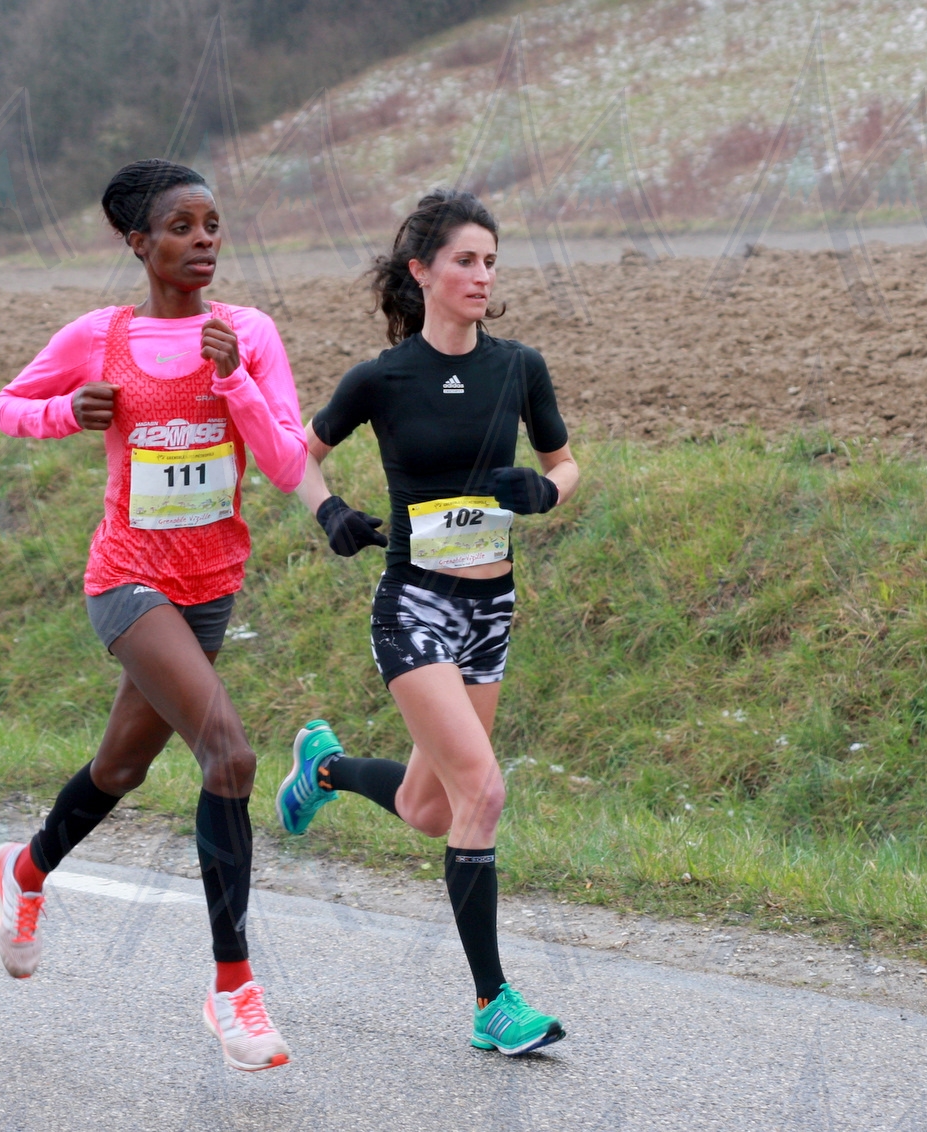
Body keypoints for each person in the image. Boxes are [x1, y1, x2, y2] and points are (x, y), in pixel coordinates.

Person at [0, 159, 307, 1072]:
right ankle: (232, 989)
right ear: (139, 243)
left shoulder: (248, 333)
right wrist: (66, 412)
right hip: (128, 579)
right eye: (181, 227)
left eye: (212, 224)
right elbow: (8, 406)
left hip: (211, 584)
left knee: (121, 768)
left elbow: (288, 462)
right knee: (230, 755)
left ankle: (26, 870)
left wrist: (236, 381)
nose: (204, 240)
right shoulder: (100, 336)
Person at [275, 189, 578, 1056]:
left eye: (491, 262)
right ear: (422, 271)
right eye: (465, 261)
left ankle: (324, 769)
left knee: (430, 808)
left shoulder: (519, 367)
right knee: (484, 791)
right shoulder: (382, 378)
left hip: (492, 609)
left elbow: (566, 463)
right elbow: (298, 454)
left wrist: (544, 492)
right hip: (414, 606)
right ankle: (493, 1004)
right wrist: (329, 511)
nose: (483, 276)